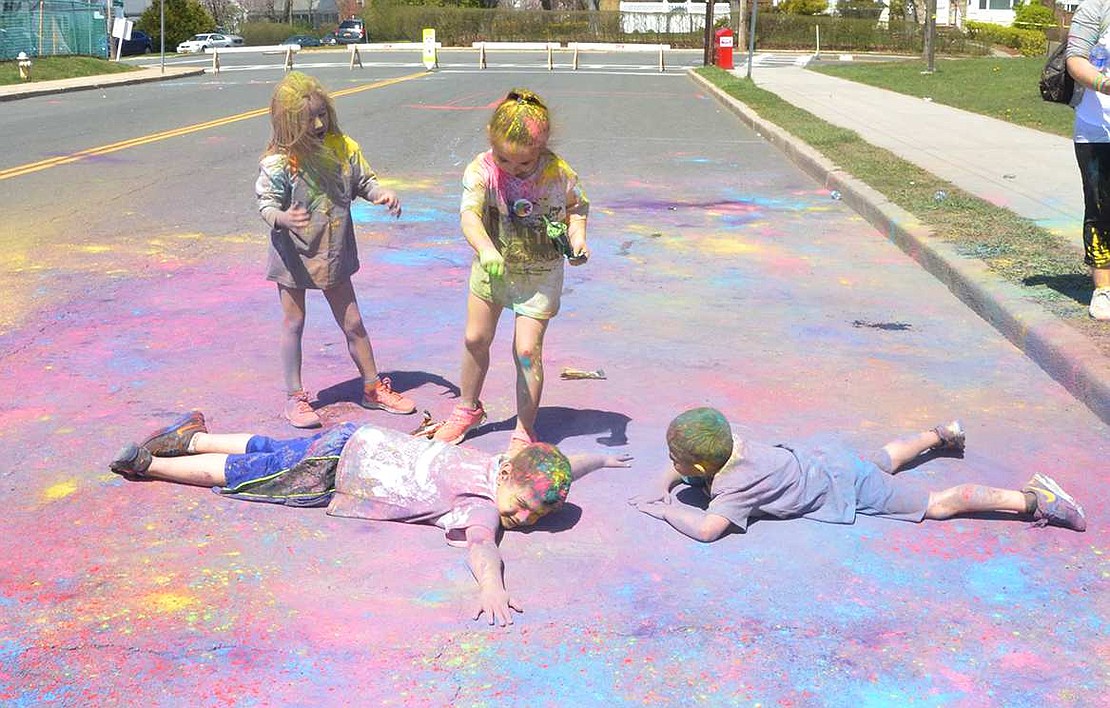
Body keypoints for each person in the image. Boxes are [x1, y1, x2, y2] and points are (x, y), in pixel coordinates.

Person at [109, 411, 633, 625]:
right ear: (508, 482)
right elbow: (483, 548)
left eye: (534, 515)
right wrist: (491, 589)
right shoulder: (480, 504)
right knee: (249, 472)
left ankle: (191, 437)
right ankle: (151, 463)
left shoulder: (504, 465)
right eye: (520, 506)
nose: (520, 518)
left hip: (356, 438)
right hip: (337, 470)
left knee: (274, 448)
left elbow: (563, 468)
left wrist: (600, 460)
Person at [629, 407, 1086, 542]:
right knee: (881, 459)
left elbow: (708, 530)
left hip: (841, 485)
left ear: (704, 468)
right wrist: (662, 487)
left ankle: (1031, 499)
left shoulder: (734, 488)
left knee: (936, 505)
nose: (672, 465)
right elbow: (681, 471)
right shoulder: (735, 444)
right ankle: (941, 433)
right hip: (828, 460)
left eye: (678, 459)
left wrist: (667, 512)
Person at [432, 88, 591, 457]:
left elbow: (578, 207)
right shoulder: (482, 169)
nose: (512, 169)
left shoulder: (557, 172)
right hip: (494, 265)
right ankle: (467, 408)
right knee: (475, 339)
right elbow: (469, 214)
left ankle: (524, 428)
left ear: (543, 147)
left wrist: (578, 237)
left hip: (539, 271)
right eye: (504, 158)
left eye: (523, 163)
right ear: (491, 139)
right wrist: (486, 248)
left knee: (526, 350)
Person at [256, 71, 416, 429]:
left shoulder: (342, 147)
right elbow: (266, 205)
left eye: (322, 115)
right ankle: (294, 397)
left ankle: (373, 388)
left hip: (332, 250)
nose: (317, 124)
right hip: (293, 254)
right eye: (307, 119)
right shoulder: (280, 162)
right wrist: (282, 216)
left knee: (353, 322)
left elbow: (364, 181)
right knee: (293, 322)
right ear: (287, 123)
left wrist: (381, 195)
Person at [1066, 2, 1110, 320]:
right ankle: (1104, 289)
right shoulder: (1097, 7)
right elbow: (1075, 60)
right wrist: (1105, 84)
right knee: (1101, 207)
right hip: (1098, 131)